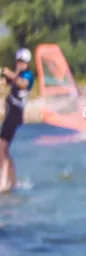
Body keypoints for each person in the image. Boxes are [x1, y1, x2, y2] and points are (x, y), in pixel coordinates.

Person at [1, 48, 35, 192]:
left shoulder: (28, 75)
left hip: (15, 115)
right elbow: (5, 83)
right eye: (18, 61)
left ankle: (3, 183)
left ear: (27, 63)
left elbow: (23, 84)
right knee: (4, 149)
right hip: (10, 114)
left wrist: (11, 75)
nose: (20, 64)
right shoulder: (17, 75)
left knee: (1, 148)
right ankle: (12, 182)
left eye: (23, 62)